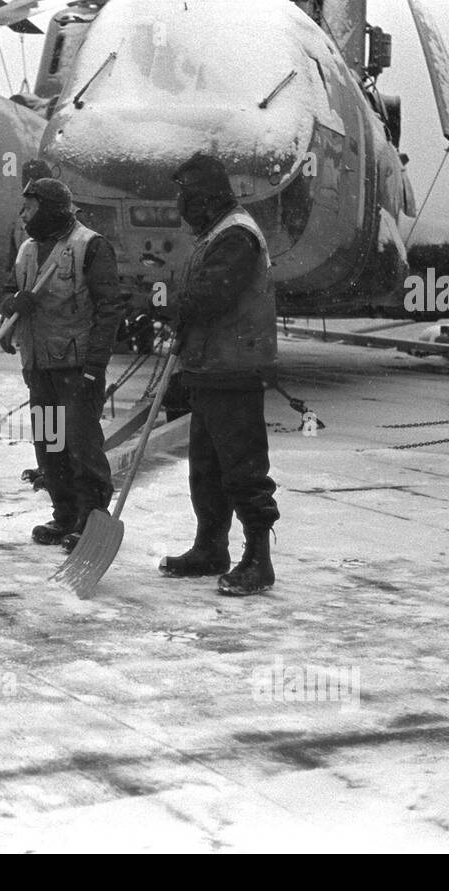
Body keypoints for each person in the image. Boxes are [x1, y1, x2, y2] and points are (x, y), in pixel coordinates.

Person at [160, 153, 280, 595]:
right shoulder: (215, 232)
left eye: (186, 194)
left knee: (243, 471)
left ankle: (258, 559)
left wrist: (179, 306)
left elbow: (213, 294)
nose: (181, 204)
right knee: (206, 470)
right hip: (208, 367)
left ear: (207, 196)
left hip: (235, 367)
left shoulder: (236, 235)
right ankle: (210, 547)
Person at [0, 177, 123, 550]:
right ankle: (65, 513)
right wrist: (12, 304)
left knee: (81, 445)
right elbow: (7, 290)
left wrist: (94, 365)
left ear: (50, 207)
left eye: (29, 207)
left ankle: (91, 516)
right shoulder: (26, 251)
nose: (23, 215)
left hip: (75, 366)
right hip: (38, 366)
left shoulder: (90, 246)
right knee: (50, 444)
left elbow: (109, 309)